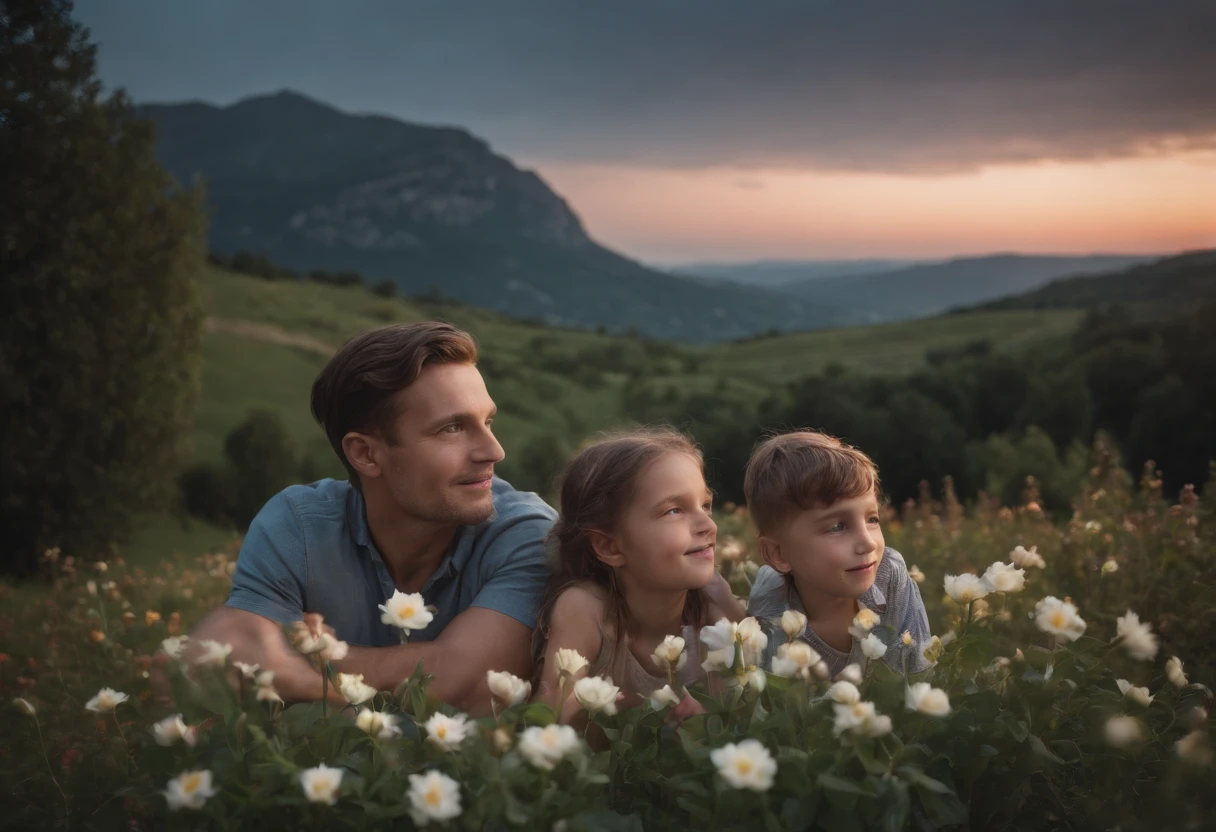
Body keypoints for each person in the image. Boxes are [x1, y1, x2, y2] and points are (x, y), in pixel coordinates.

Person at [189, 322, 556, 715]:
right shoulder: (296, 527)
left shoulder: (530, 534)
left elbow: (466, 684)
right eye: (452, 428)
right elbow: (230, 661)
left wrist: (296, 673)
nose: (494, 451)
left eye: (488, 422)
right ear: (365, 454)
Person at [531, 427, 746, 725]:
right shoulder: (585, 608)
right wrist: (611, 709)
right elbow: (551, 716)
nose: (707, 524)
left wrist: (714, 714)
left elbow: (747, 706)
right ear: (610, 546)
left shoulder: (712, 607)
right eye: (674, 511)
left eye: (705, 505)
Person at [744, 430, 931, 678]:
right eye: (837, 527)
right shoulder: (771, 603)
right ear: (778, 554)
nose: (868, 543)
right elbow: (773, 701)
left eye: (872, 519)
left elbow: (920, 673)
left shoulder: (889, 575)